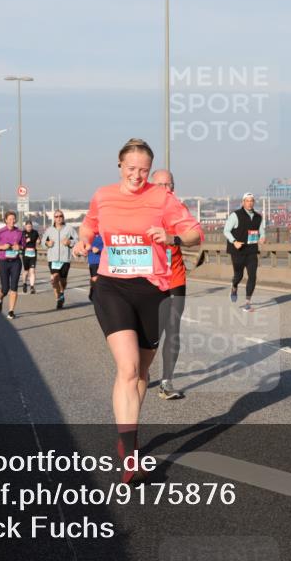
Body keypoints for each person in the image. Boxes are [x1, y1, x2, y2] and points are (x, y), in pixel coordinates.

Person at [73, 139, 202, 483]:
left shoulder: (161, 197)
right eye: (131, 169)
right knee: (128, 368)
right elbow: (90, 223)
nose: (137, 175)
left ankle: (127, 436)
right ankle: (130, 453)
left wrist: (171, 237)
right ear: (119, 166)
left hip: (153, 291)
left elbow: (195, 234)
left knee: (143, 372)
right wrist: (83, 240)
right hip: (112, 286)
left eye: (143, 170)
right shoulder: (103, 195)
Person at [151, 169, 188, 400]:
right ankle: (141, 369)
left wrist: (174, 237)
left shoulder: (179, 211)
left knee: (172, 330)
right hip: (149, 279)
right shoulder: (141, 212)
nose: (165, 189)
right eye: (160, 185)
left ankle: (166, 382)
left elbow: (194, 236)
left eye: (169, 184)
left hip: (175, 278)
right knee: (150, 333)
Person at [222, 192, 265, 312]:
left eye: (251, 201)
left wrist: (262, 237)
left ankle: (247, 303)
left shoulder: (258, 217)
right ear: (243, 202)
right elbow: (226, 231)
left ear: (253, 202)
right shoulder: (235, 215)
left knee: (252, 276)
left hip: (251, 250)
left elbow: (262, 231)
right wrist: (234, 241)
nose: (249, 203)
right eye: (247, 201)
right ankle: (234, 286)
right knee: (239, 276)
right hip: (238, 251)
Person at [0, 212, 25, 319]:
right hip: (3, 262)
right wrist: (1, 247)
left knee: (14, 287)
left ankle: (11, 311)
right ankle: (0, 298)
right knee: (5, 288)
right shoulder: (0, 232)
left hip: (15, 262)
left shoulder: (19, 232)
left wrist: (18, 247)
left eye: (14, 219)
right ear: (5, 220)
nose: (12, 221)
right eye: (10, 219)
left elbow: (23, 245)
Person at [43, 210, 79, 309]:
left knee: (63, 280)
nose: (58, 218)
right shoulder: (49, 230)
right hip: (53, 259)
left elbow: (76, 240)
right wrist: (47, 243)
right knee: (55, 278)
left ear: (63, 217)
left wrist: (69, 242)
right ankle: (58, 298)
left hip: (65, 259)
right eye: (56, 216)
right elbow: (43, 241)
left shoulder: (69, 228)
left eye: (60, 216)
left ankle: (62, 292)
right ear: (54, 218)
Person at [20, 219, 39, 294]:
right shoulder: (23, 233)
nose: (29, 228)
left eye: (30, 226)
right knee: (26, 271)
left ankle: (32, 287)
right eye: (28, 226)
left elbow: (38, 239)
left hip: (33, 253)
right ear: (25, 226)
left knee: (32, 270)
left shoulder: (35, 232)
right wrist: (25, 241)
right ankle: (24, 283)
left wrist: (38, 241)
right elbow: (20, 242)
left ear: (32, 226)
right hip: (25, 253)